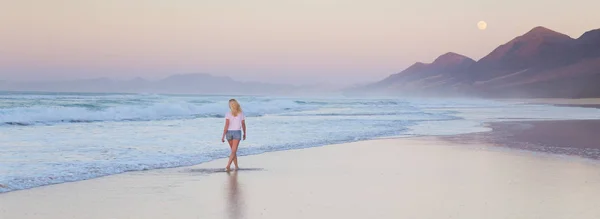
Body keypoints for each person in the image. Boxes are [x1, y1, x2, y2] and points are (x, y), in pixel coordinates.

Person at [221, 99, 246, 171]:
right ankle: (228, 166)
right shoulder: (241, 113)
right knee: (233, 151)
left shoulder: (228, 114)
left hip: (229, 133)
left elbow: (226, 125)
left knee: (233, 151)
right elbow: (243, 124)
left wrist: (223, 135)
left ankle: (236, 166)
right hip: (237, 132)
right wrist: (244, 133)